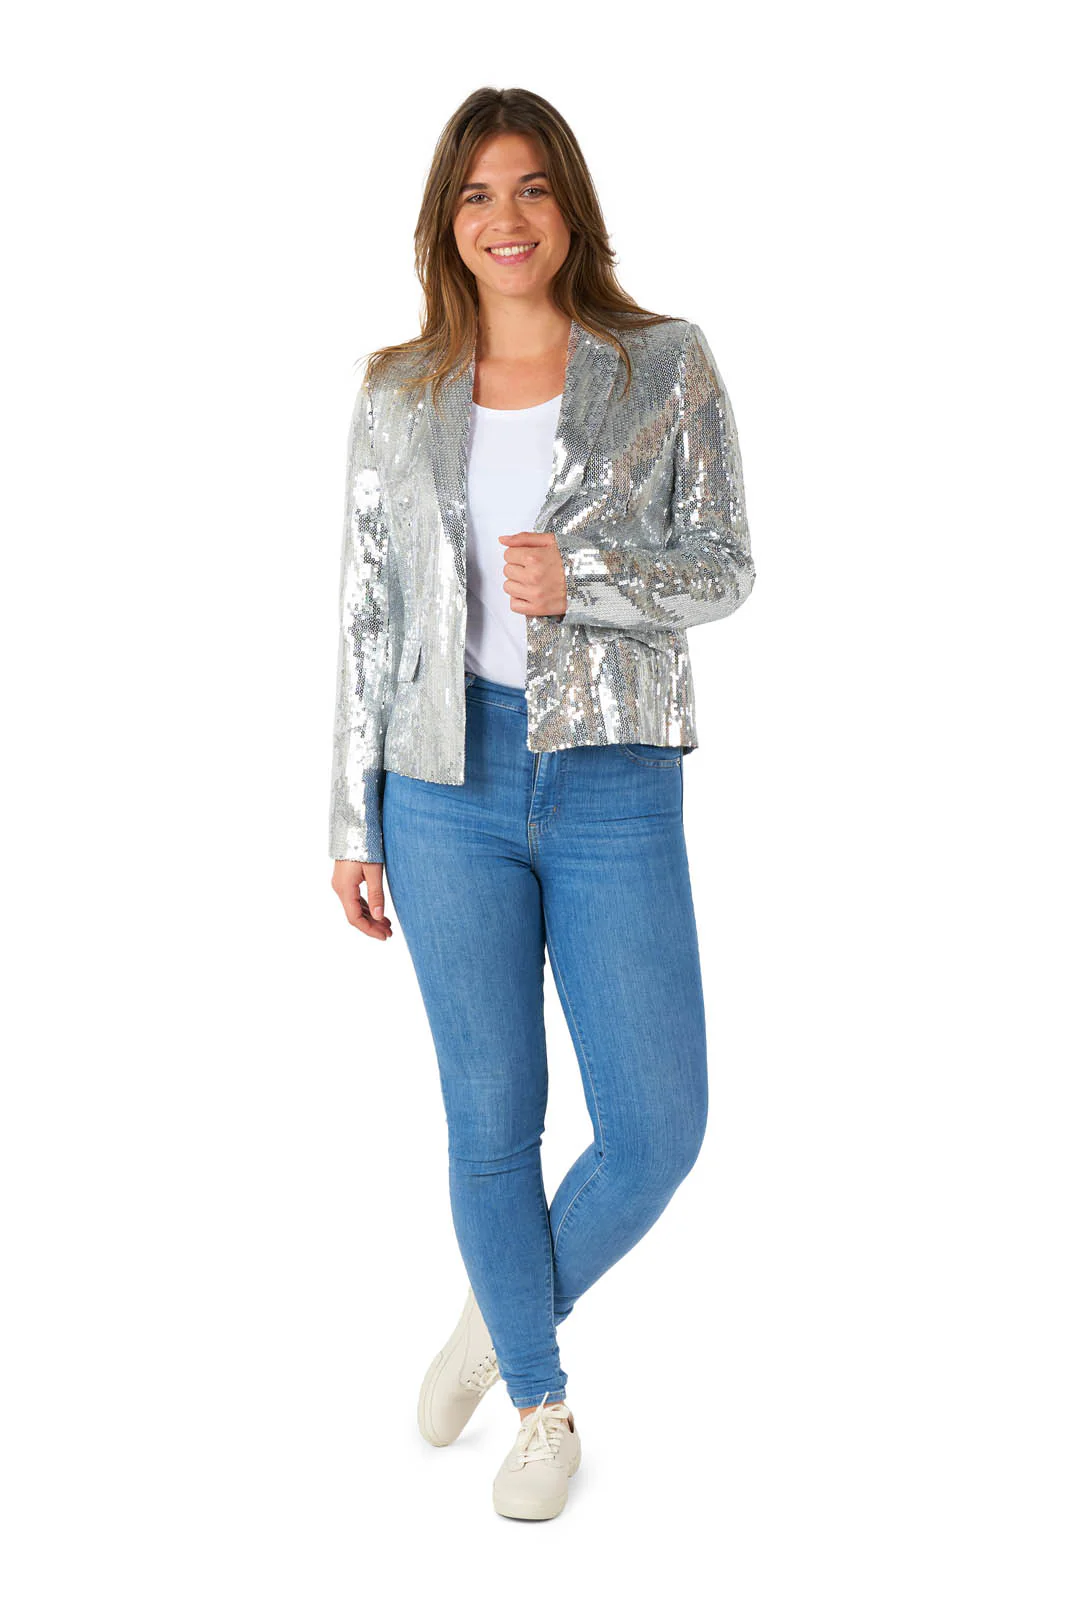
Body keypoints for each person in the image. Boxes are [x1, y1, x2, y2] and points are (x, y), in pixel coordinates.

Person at [329, 85, 755, 1522]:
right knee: (493, 1120)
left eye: (528, 188)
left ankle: (501, 1308)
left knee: (659, 1128)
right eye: (474, 194)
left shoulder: (662, 363)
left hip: (616, 774)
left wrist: (593, 582)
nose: (503, 218)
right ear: (444, 222)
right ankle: (539, 1399)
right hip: (441, 783)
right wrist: (351, 823)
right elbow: (369, 617)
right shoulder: (399, 389)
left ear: (568, 202)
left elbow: (727, 568)